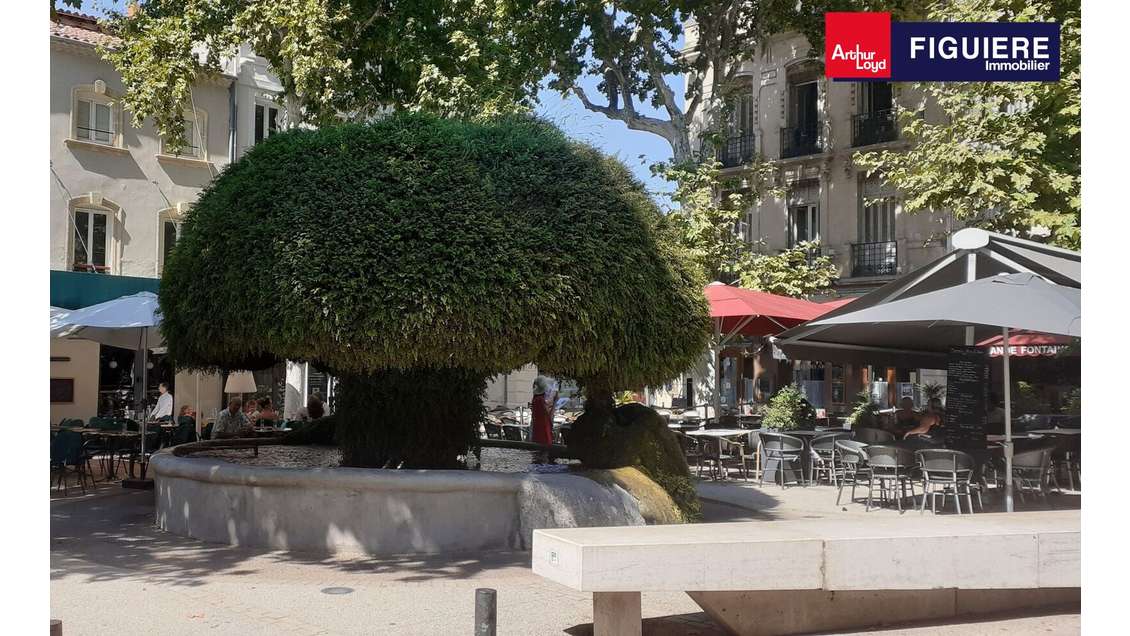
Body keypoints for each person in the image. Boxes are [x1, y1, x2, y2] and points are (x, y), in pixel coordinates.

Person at [530, 376, 556, 452]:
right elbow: (548, 416)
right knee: (544, 453)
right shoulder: (540, 400)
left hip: (537, 429)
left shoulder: (535, 399)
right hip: (544, 431)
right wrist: (555, 402)